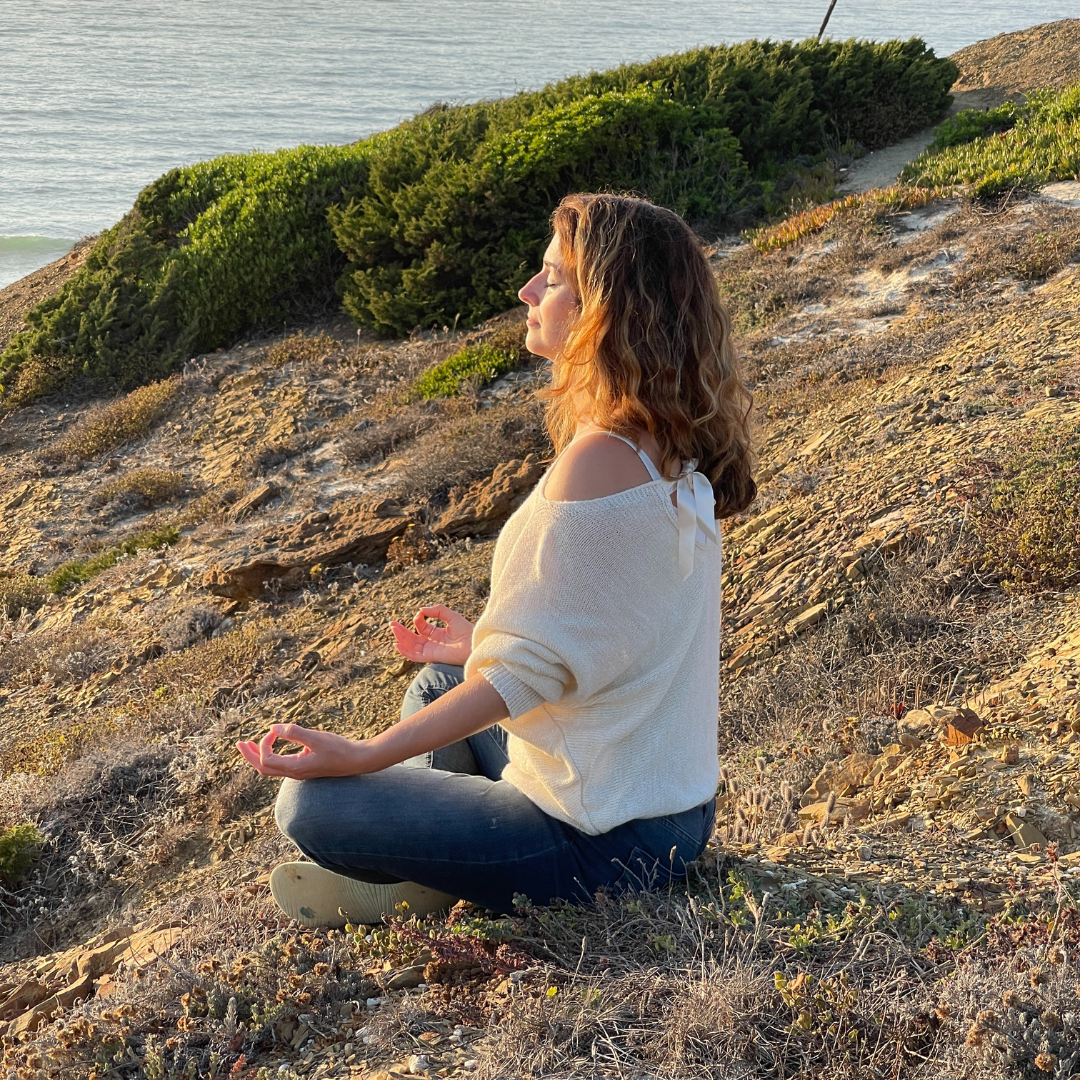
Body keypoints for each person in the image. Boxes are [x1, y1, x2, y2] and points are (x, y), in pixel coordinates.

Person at [237, 192, 756, 928]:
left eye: (551, 278)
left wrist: (365, 754)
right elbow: (615, 627)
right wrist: (482, 643)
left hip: (602, 844)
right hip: (671, 813)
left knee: (314, 802)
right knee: (443, 677)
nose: (528, 292)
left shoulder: (601, 461)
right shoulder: (664, 448)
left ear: (604, 310)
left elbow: (524, 678)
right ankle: (433, 868)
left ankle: (426, 878)